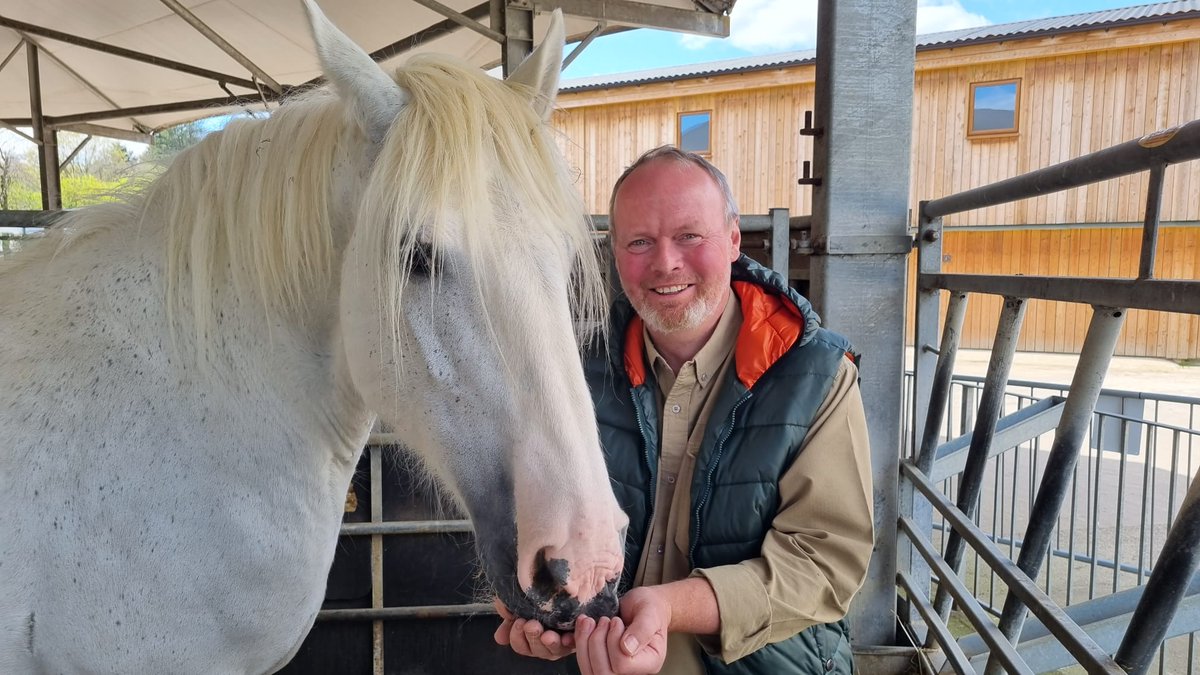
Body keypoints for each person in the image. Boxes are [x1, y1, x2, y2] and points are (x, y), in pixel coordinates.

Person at [495, 145, 874, 675]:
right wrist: (550, 610)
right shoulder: (573, 373)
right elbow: (532, 517)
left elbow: (827, 562)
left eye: (689, 236)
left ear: (734, 238)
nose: (665, 263)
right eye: (640, 242)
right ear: (614, 251)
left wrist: (671, 607)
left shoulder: (816, 374)